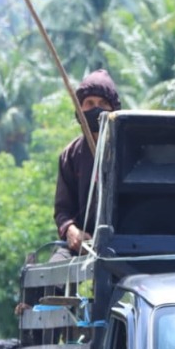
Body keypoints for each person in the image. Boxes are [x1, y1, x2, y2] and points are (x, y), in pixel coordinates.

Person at [54, 69, 122, 258]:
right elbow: (63, 211)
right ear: (80, 109)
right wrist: (71, 231)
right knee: (49, 280)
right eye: (89, 104)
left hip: (126, 242)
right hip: (83, 244)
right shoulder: (70, 155)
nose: (96, 109)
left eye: (102, 104)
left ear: (113, 109)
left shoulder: (128, 148)